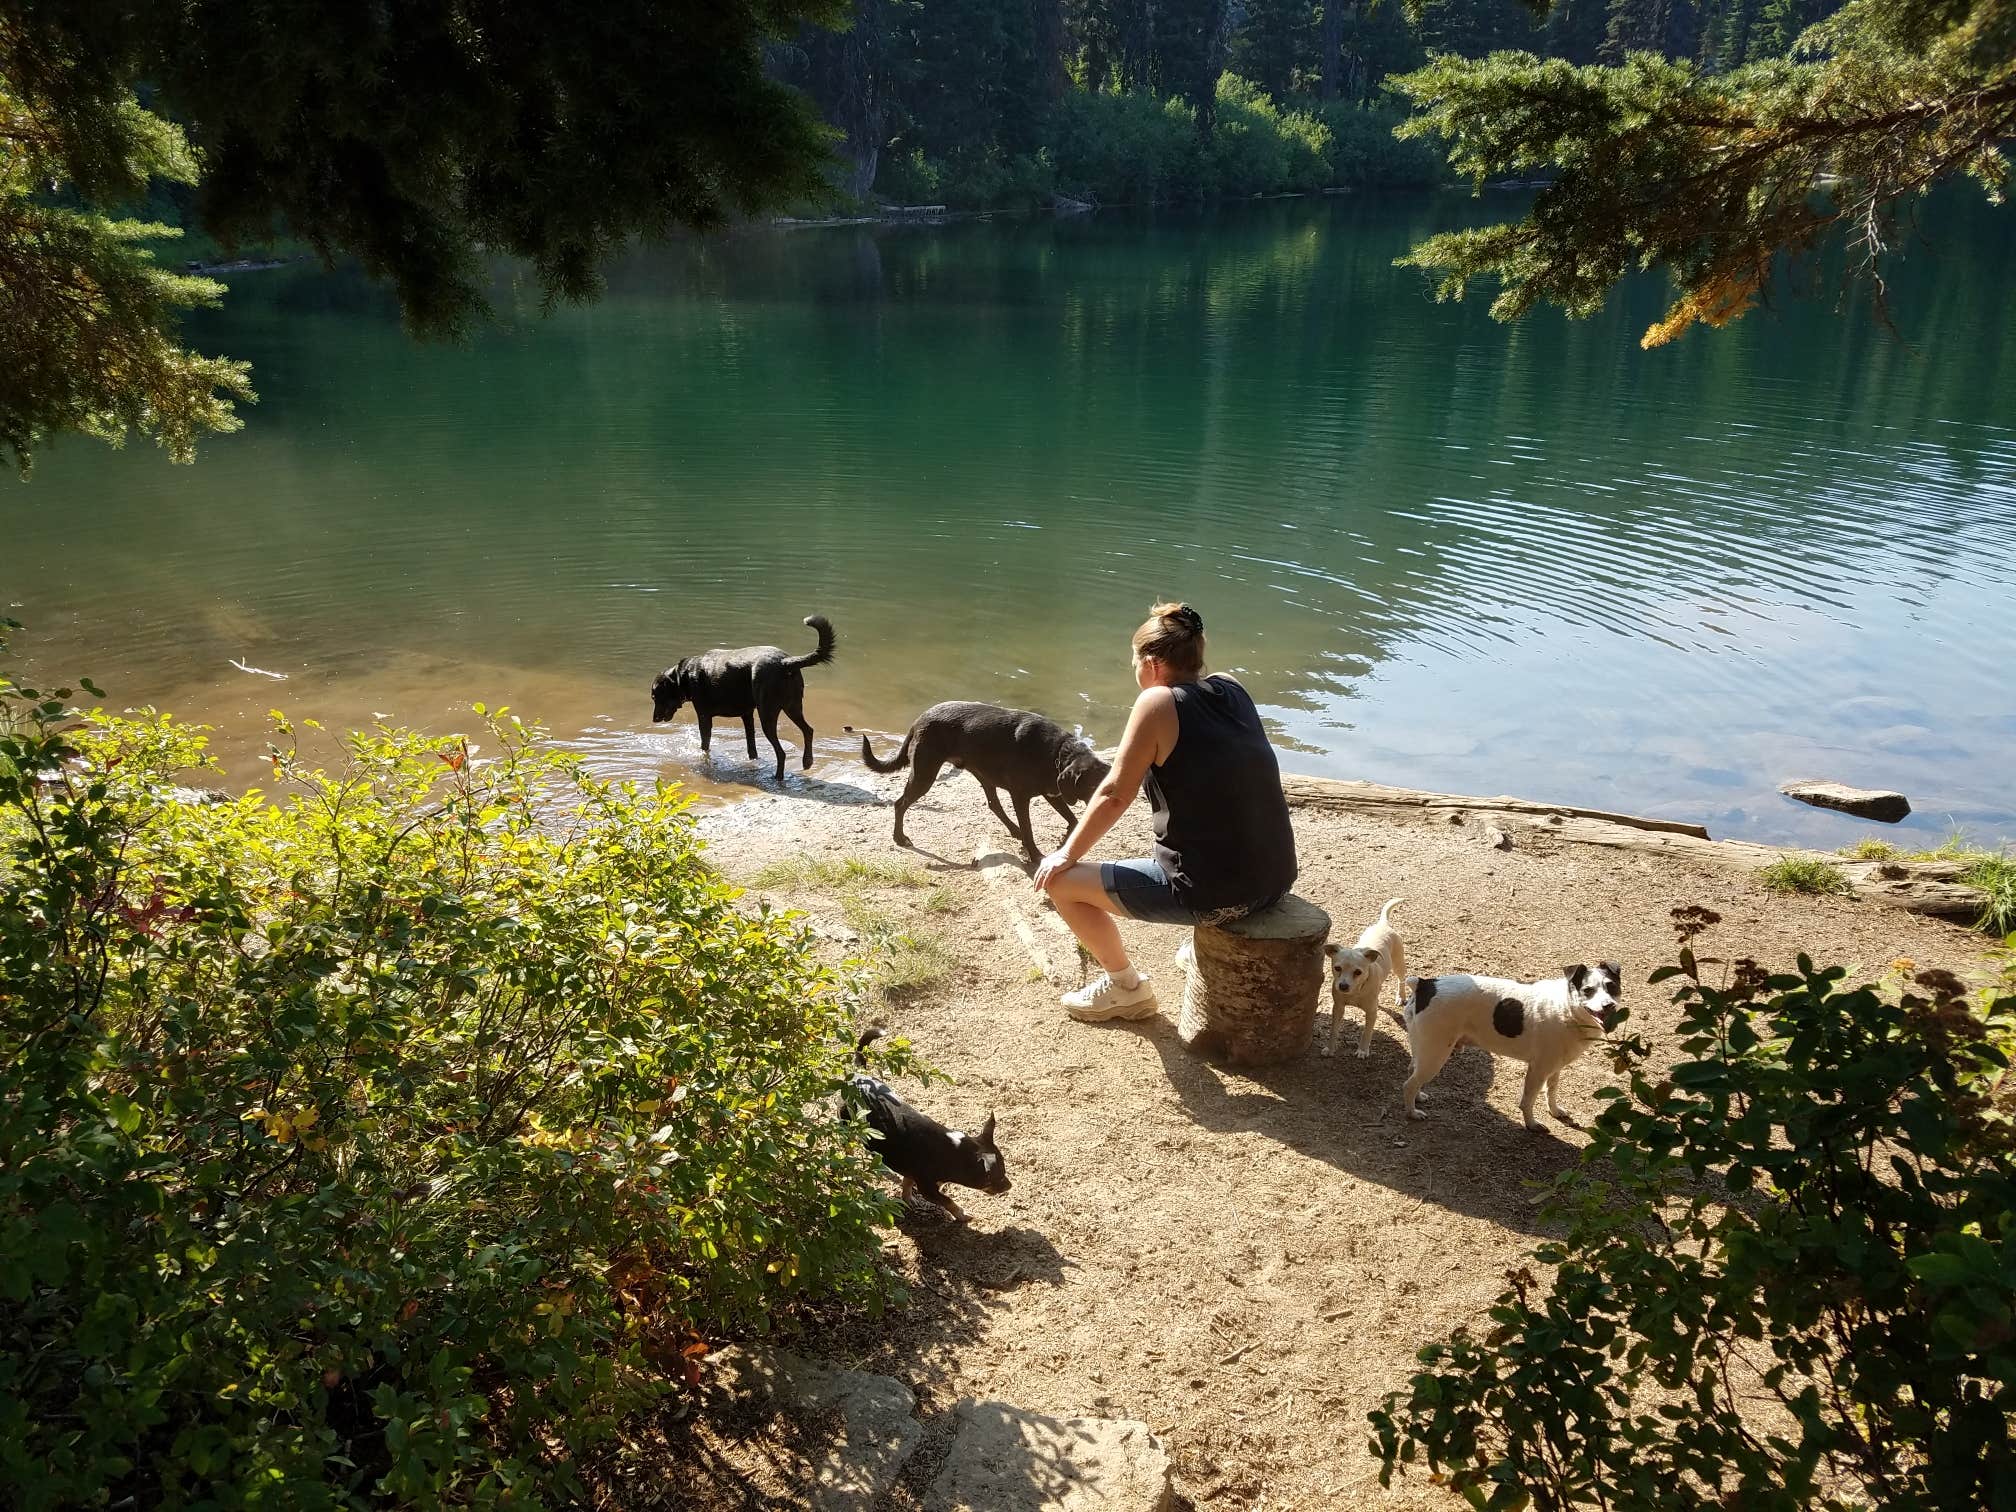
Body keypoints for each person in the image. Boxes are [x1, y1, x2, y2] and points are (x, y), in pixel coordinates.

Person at [1032, 602, 1298, 1021]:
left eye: (1134, 662)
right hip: (1277, 877)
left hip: (1217, 896)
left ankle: (1126, 989)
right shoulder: (1232, 687)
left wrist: (1066, 854)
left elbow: (1115, 794)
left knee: (1060, 883)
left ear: (1152, 664)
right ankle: (1192, 952)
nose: (1135, 671)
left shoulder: (1157, 701)